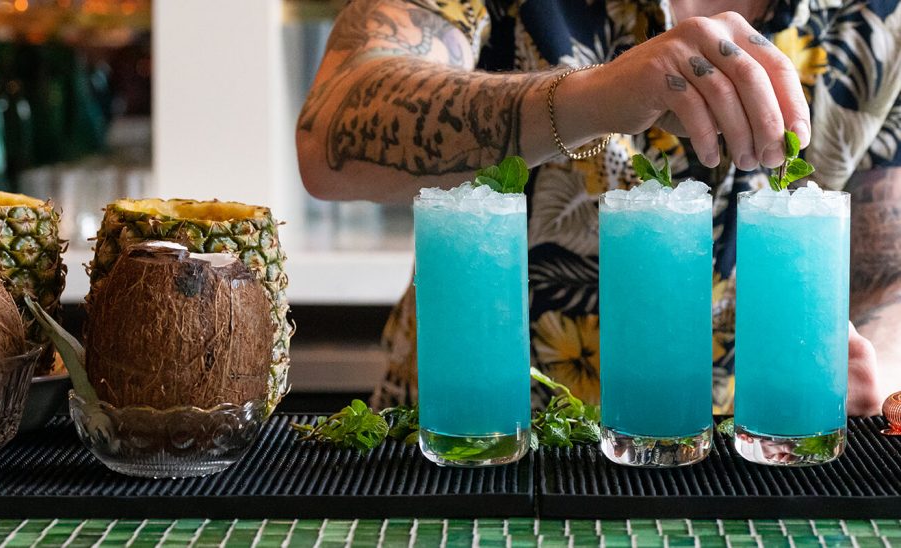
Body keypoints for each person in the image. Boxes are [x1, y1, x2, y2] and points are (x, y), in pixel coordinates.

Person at [296, 0, 899, 416]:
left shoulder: (883, 18)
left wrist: (867, 372)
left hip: (721, 465)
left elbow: (882, 281)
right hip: (462, 446)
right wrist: (597, 96)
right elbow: (328, 136)